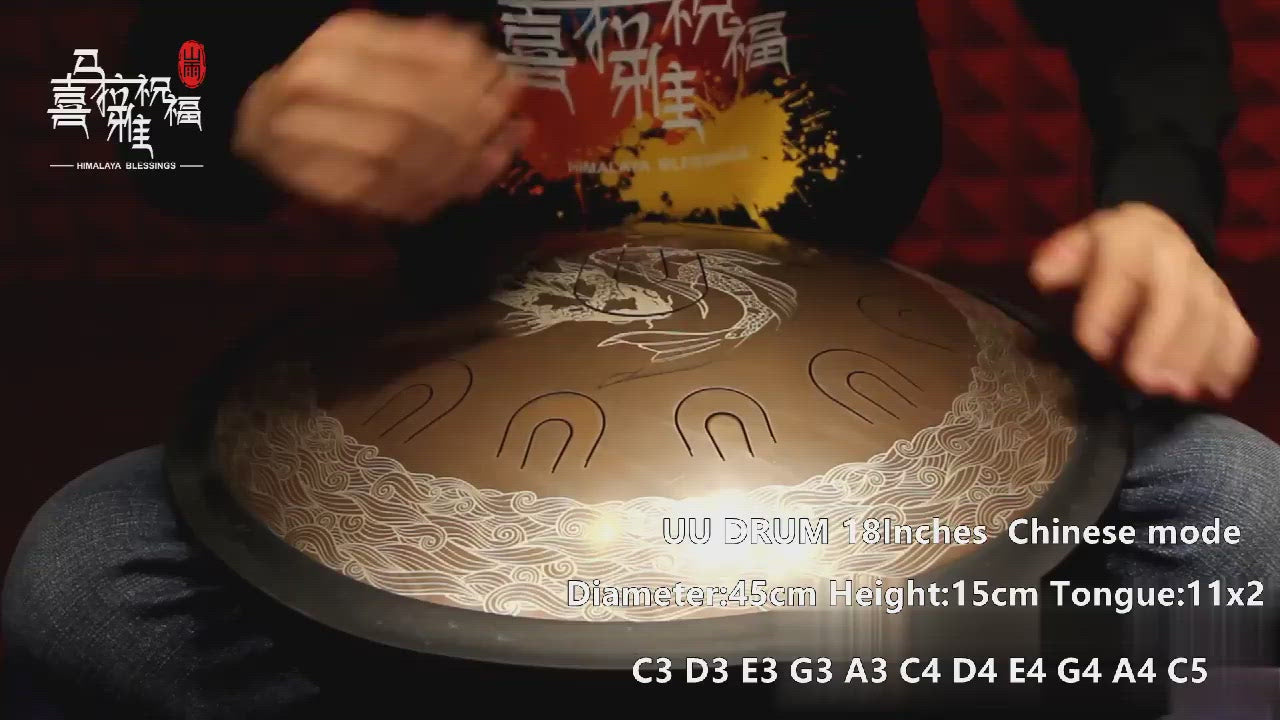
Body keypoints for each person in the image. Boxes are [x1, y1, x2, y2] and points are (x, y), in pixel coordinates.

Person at [5, 1, 1278, 717]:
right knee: (79, 578)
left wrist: (1155, 199)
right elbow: (114, 106)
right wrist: (244, 108)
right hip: (465, 419)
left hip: (856, 415)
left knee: (1240, 514)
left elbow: (1144, 24)